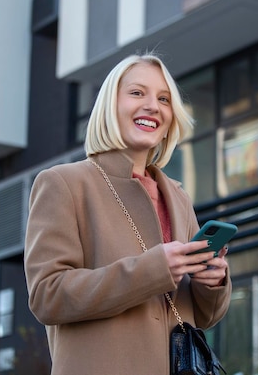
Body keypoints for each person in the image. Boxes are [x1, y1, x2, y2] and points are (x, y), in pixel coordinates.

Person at [24, 52, 232, 375]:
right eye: (137, 93)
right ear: (110, 106)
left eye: (164, 99)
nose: (153, 106)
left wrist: (211, 282)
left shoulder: (178, 197)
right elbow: (46, 295)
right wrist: (154, 268)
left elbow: (202, 316)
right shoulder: (63, 184)